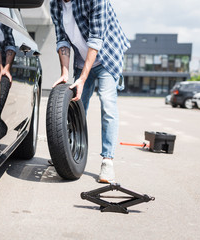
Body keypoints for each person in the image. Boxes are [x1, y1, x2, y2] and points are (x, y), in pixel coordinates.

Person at [50, 0, 130, 183]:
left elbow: (96, 39)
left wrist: (83, 78)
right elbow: (62, 39)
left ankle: (107, 161)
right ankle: (67, 154)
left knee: (108, 104)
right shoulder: (55, 4)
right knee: (77, 107)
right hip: (81, 59)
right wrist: (65, 72)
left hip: (107, 58)